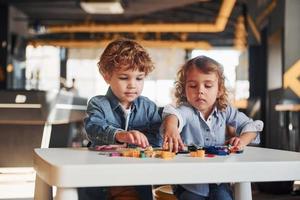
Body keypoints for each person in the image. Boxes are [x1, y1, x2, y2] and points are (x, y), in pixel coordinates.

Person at [161, 55, 264, 200]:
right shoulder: (187, 111)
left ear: (220, 90)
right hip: (190, 182)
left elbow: (252, 125)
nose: (200, 91)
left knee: (224, 198)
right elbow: (173, 113)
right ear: (184, 90)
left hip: (218, 179)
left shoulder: (225, 110)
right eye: (192, 86)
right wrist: (171, 127)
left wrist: (241, 141)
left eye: (208, 86)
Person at [83, 38, 162, 200]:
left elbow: (158, 138)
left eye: (139, 78)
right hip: (104, 180)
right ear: (107, 76)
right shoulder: (98, 103)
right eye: (124, 78)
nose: (132, 85)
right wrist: (120, 135)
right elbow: (94, 129)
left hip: (139, 180)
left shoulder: (148, 107)